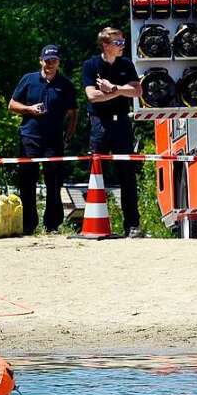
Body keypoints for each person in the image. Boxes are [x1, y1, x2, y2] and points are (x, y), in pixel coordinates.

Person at [8, 45, 78, 234]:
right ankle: (28, 224)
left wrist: (69, 134)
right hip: (29, 136)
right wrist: (29, 109)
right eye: (47, 61)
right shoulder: (28, 79)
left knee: (54, 182)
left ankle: (52, 224)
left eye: (53, 60)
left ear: (58, 62)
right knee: (27, 181)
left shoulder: (65, 84)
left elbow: (73, 113)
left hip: (54, 139)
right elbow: (12, 105)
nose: (50, 64)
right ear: (40, 60)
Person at [82, 27, 143, 238]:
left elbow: (137, 91)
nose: (122, 47)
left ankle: (132, 225)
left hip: (122, 123)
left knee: (127, 174)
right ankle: (94, 223)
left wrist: (113, 88)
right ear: (105, 45)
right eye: (117, 43)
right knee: (96, 170)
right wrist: (115, 92)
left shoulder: (126, 64)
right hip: (100, 122)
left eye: (123, 42)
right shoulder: (91, 65)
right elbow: (92, 96)